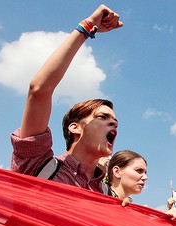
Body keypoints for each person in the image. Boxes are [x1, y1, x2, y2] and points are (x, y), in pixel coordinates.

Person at [11, 5, 123, 192]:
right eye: (103, 117)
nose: (114, 125)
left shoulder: (106, 194)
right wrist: (87, 27)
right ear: (75, 127)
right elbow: (39, 90)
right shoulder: (37, 165)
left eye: (115, 122)